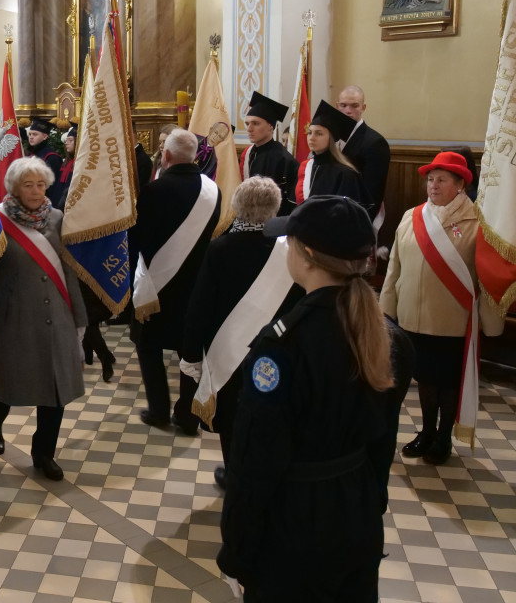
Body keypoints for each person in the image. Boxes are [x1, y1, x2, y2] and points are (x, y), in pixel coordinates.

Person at [217, 195, 400, 601]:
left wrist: (238, 547)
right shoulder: (383, 334)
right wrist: (371, 503)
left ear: (309, 254)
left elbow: (257, 459)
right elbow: (383, 440)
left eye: (290, 242)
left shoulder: (283, 346)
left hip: (295, 523)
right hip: (356, 511)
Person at [380, 151, 504, 465]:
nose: (433, 185)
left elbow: (486, 277)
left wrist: (490, 321)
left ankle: (443, 436)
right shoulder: (412, 216)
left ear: (460, 184)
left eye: (442, 180)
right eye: (430, 180)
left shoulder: (477, 223)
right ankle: (425, 431)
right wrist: (386, 311)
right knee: (424, 378)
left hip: (452, 320)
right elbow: (394, 268)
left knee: (447, 381)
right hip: (412, 317)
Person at [181, 177, 303, 490]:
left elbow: (200, 305)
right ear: (276, 208)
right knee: (272, 414)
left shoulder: (221, 247)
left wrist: (191, 353)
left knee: (234, 416)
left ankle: (235, 472)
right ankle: (269, 474)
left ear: (236, 207)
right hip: (278, 351)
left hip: (229, 355)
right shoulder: (290, 249)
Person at [0, 156, 87, 482]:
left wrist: (80, 317)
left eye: (40, 184)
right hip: (13, 320)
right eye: (28, 185)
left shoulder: (58, 218)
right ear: (14, 187)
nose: (36, 191)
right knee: (8, 386)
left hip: (57, 318)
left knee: (56, 388)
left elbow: (69, 270)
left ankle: (43, 453)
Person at [130, 129, 220, 434]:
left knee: (147, 346)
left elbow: (138, 237)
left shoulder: (154, 191)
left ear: (165, 156)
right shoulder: (213, 190)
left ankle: (158, 411)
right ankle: (187, 415)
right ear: (194, 155)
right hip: (198, 285)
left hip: (158, 285)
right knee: (189, 350)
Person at [296, 100, 371, 212]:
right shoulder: (306, 166)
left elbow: (347, 213)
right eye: (310, 132)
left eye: (319, 133)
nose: (311, 138)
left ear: (332, 138)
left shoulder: (345, 174)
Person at [239, 92, 298, 215]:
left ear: (270, 126)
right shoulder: (249, 154)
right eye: (247, 124)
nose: (249, 129)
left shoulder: (284, 159)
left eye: (255, 123)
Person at [337, 86, 391, 220]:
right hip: (332, 211)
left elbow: (373, 191)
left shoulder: (375, 142)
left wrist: (362, 221)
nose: (348, 111)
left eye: (354, 106)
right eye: (343, 105)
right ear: (337, 106)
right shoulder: (329, 137)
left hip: (357, 215)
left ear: (363, 107)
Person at [24, 119, 64, 206]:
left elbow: (52, 186)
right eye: (30, 134)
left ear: (45, 137)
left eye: (35, 134)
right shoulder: (30, 154)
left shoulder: (52, 157)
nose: (31, 137)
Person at [57, 125, 77, 210]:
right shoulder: (66, 161)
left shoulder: (80, 163)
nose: (66, 143)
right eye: (66, 140)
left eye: (70, 140)